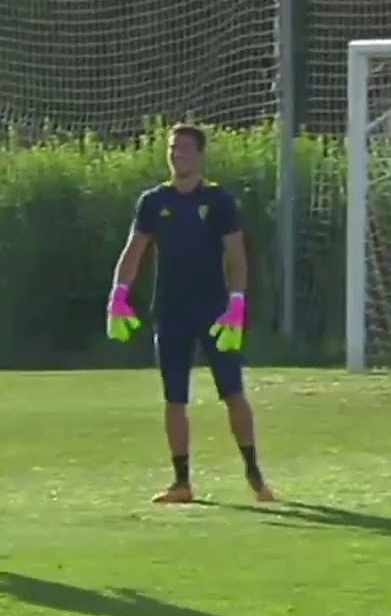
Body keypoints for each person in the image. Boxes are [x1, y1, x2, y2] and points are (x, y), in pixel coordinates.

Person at [106, 124, 275, 504]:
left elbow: (235, 254)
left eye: (185, 148)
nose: (177, 154)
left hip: (215, 311)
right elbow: (134, 251)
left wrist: (237, 302)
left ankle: (255, 475)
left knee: (233, 391)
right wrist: (118, 294)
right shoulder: (153, 201)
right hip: (170, 310)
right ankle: (181, 482)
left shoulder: (218, 201)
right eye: (172, 148)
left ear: (199, 155)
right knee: (174, 397)